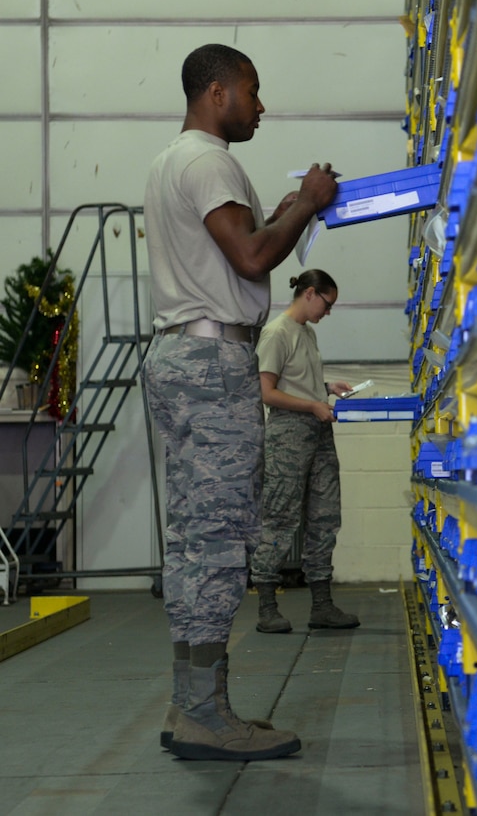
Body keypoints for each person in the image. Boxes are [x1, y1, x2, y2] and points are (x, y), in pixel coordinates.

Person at [141, 42, 338, 761]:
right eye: (253, 92)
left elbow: (246, 245)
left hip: (183, 351)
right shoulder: (209, 161)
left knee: (197, 531)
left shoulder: (174, 161)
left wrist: (288, 213)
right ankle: (202, 712)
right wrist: (311, 203)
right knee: (219, 536)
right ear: (217, 92)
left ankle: (193, 703)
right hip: (209, 356)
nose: (261, 105)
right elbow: (251, 259)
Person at [251, 269, 360, 633]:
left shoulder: (307, 334)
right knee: (280, 518)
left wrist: (325, 387)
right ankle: (266, 605)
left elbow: (296, 380)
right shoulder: (276, 333)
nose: (327, 312)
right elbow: (266, 392)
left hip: (318, 432)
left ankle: (322, 605)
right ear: (310, 293)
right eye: (327, 304)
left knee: (325, 517)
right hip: (288, 435)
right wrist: (312, 405)